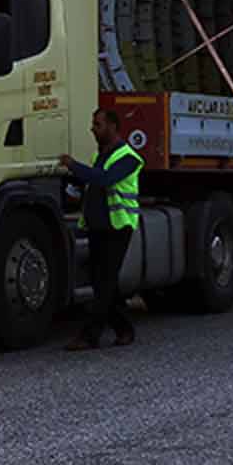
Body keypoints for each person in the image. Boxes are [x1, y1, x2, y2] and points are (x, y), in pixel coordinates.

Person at [59, 108, 141, 350]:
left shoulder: (128, 157)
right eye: (93, 124)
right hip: (97, 227)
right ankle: (124, 328)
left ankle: (90, 335)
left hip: (118, 227)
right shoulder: (100, 155)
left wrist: (73, 165)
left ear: (113, 127)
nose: (93, 129)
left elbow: (104, 179)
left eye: (98, 124)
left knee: (104, 282)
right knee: (102, 281)